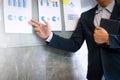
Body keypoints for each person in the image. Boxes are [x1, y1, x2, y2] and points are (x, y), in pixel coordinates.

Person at [29, 0, 120, 80]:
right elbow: (74, 44)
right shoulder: (86, 16)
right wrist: (49, 36)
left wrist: (109, 39)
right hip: (95, 75)